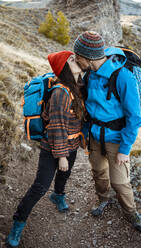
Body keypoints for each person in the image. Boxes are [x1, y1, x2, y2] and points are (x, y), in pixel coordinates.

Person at [7, 51, 85, 247]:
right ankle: (18, 222)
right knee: (40, 186)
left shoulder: (78, 86)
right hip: (53, 148)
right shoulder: (61, 92)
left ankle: (58, 195)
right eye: (73, 60)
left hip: (72, 144)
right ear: (65, 67)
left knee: (64, 175)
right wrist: (61, 156)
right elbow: (56, 126)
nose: (78, 61)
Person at [73, 31, 141, 233]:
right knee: (98, 172)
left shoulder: (123, 76)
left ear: (87, 57)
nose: (75, 59)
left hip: (117, 138)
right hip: (95, 135)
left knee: (120, 181)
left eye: (77, 56)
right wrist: (85, 133)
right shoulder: (88, 73)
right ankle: (103, 199)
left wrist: (125, 149)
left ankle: (131, 213)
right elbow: (87, 107)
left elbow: (135, 117)